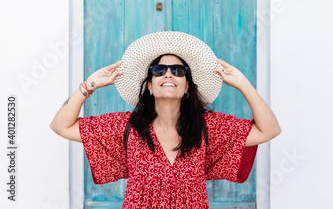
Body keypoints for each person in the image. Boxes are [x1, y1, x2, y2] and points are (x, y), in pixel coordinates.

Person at [50, 31, 281, 209]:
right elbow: (61, 125)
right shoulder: (126, 127)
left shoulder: (208, 127)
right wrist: (90, 84)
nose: (168, 74)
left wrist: (243, 83)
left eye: (178, 71)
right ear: (149, 85)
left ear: (187, 86)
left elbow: (269, 130)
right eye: (159, 70)